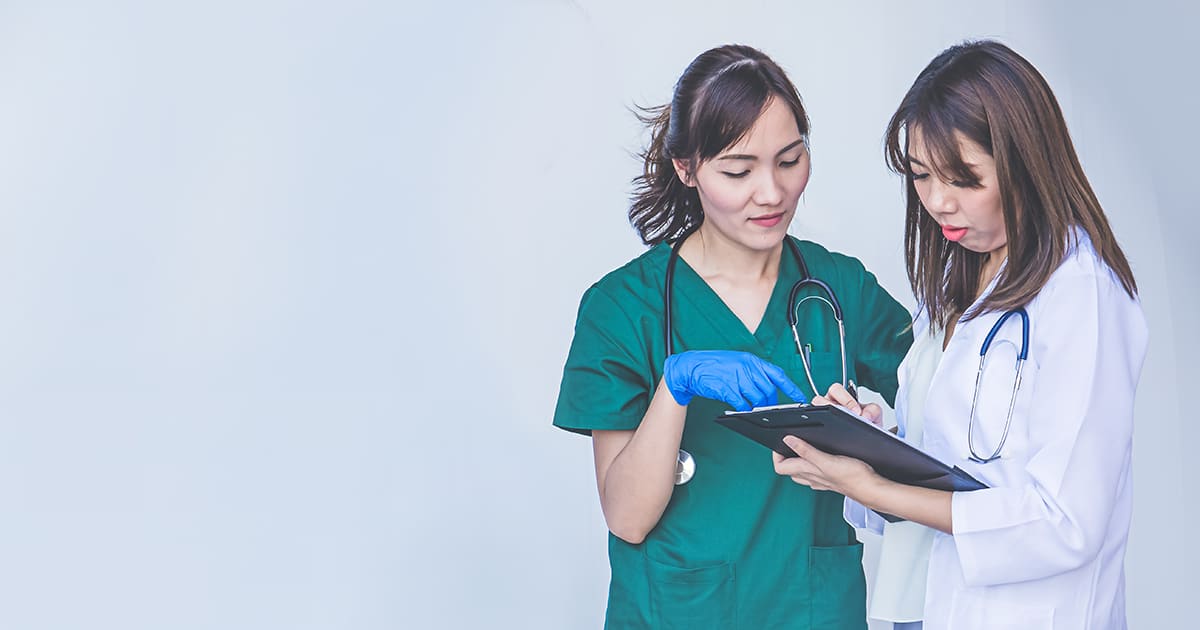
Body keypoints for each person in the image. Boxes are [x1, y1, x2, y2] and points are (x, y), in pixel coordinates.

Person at [773, 40, 1147, 630]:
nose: (938, 202)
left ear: (1026, 163)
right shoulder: (959, 276)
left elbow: (1064, 522)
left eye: (964, 179)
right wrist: (873, 435)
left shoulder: (1083, 294)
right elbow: (953, 455)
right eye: (921, 175)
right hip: (922, 607)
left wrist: (874, 487)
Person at [552, 44, 912, 629]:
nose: (771, 193)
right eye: (739, 171)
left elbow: (950, 420)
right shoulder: (622, 308)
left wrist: (875, 430)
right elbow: (628, 517)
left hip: (813, 610)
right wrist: (676, 387)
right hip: (677, 614)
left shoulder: (841, 287)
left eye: (790, 160)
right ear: (687, 168)